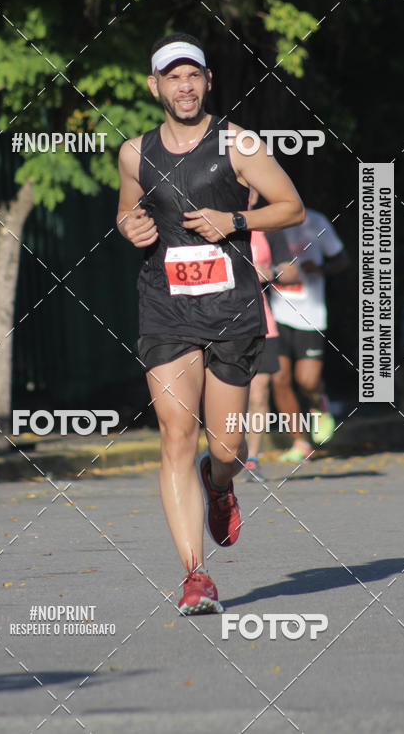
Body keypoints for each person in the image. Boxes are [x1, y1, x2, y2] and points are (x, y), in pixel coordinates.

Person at [116, 32, 304, 614]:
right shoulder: (134, 152)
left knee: (226, 445)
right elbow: (126, 209)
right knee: (175, 432)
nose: (184, 86)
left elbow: (290, 206)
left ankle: (219, 483)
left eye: (192, 75)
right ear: (155, 87)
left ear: (207, 81)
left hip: (231, 308)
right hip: (166, 306)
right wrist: (129, 227)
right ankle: (195, 575)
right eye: (172, 77)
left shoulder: (239, 142)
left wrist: (235, 219)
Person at [269, 209, 350, 463]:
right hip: (276, 312)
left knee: (307, 380)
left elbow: (342, 259)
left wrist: (321, 268)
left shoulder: (317, 221)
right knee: (279, 378)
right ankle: (300, 442)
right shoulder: (268, 221)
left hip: (310, 314)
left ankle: (319, 403)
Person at [242, 199, 300, 483]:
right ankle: (223, 454)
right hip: (219, 321)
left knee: (259, 391)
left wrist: (271, 273)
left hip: (261, 320)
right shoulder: (214, 221)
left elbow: (291, 272)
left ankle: (252, 459)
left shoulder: (267, 225)